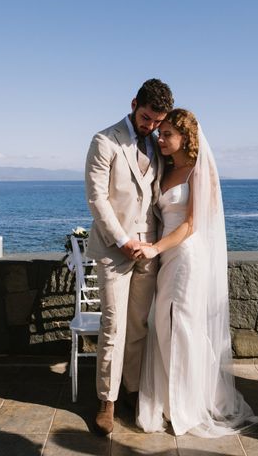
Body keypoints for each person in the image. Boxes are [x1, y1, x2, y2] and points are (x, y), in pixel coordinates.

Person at [135, 109, 258, 437]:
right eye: (159, 134)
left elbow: (191, 225)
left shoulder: (197, 174)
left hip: (187, 257)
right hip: (167, 258)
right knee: (162, 324)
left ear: (186, 138)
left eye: (166, 135)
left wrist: (155, 249)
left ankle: (187, 404)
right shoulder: (167, 170)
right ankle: (169, 396)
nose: (159, 139)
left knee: (182, 326)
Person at [84, 78, 174, 435]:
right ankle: (106, 400)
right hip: (113, 249)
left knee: (138, 325)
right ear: (135, 102)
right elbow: (97, 199)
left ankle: (132, 392)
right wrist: (122, 241)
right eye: (147, 117)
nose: (150, 126)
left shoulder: (159, 145)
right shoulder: (104, 140)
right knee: (113, 325)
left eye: (156, 121)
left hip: (148, 248)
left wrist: (154, 244)